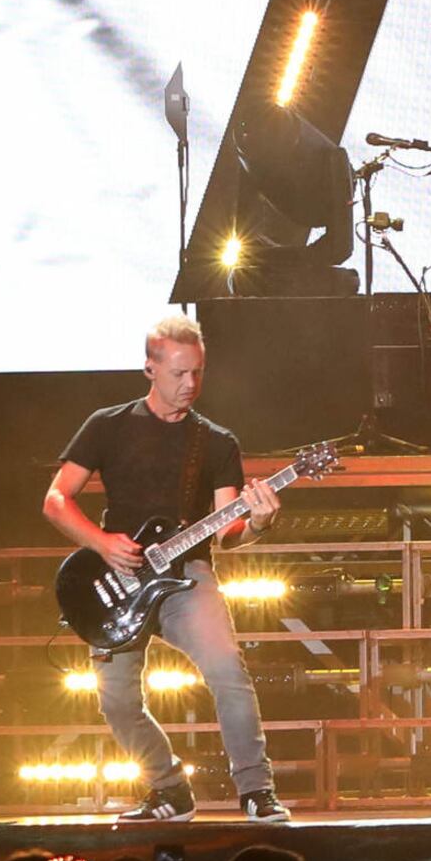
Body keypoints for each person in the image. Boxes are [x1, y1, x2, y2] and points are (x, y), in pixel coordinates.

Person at [41, 314, 292, 822]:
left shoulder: (217, 442)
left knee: (227, 671)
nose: (190, 385)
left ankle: (256, 790)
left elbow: (227, 531)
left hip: (186, 577)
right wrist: (102, 542)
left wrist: (259, 522)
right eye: (178, 373)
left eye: (197, 372)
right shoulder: (107, 425)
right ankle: (169, 789)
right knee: (116, 701)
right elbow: (56, 500)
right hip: (118, 576)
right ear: (149, 368)